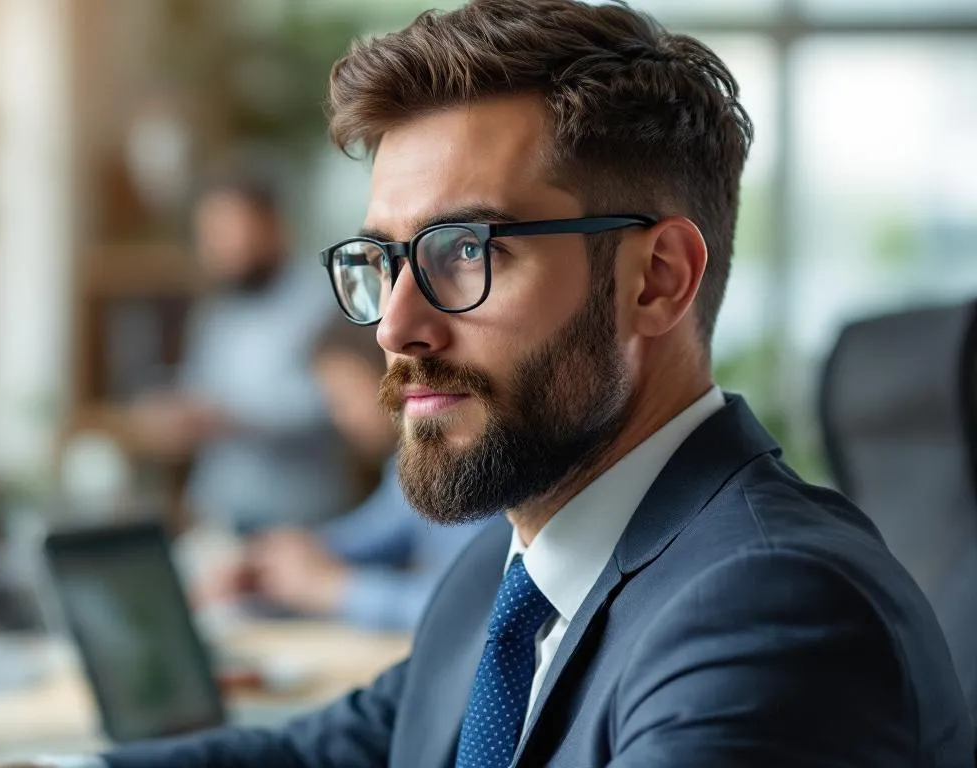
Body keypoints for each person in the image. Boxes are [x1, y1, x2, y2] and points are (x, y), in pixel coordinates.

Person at [63, 1, 976, 765]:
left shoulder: (768, 615)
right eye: (383, 260)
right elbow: (329, 751)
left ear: (656, 279)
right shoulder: (507, 572)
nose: (394, 325)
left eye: (465, 251)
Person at [200, 318, 489, 631]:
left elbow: (474, 612)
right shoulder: (404, 469)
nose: (339, 416)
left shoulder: (475, 462)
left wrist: (335, 589)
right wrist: (271, 561)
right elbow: (370, 534)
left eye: (345, 397)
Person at [127, 174, 353, 530]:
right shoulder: (216, 313)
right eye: (210, 233)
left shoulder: (322, 302)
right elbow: (198, 388)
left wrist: (232, 418)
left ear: (272, 225)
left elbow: (341, 404)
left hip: (300, 518)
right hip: (216, 509)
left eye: (231, 229)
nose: (220, 246)